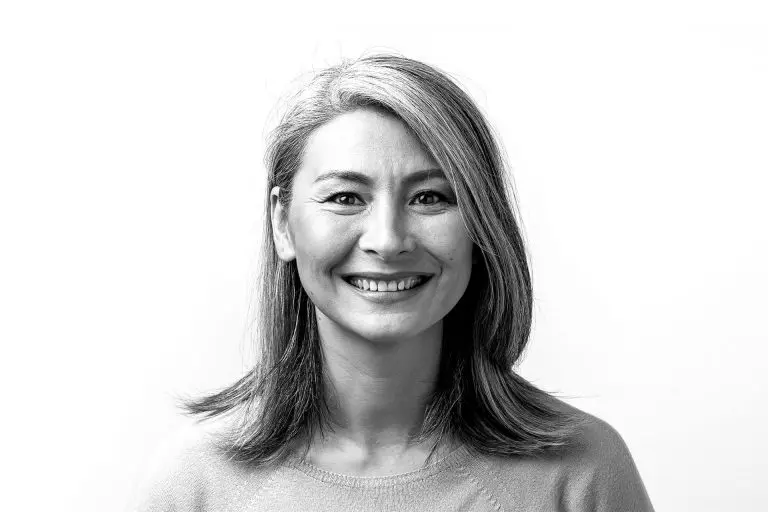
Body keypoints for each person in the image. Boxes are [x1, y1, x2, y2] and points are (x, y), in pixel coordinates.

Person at [130, 54, 655, 511]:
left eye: (430, 197)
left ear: (480, 223)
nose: (387, 240)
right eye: (345, 197)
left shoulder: (583, 471)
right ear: (282, 223)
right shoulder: (196, 482)